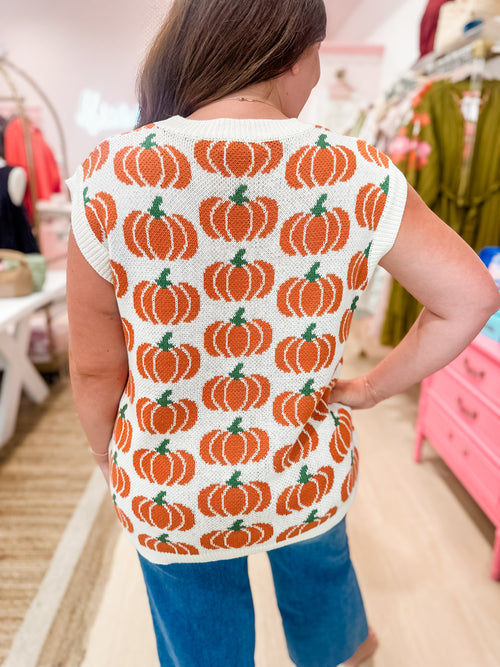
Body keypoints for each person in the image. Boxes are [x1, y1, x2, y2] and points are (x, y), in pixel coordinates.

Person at [65, 1, 500, 665]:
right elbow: (470, 298)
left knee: (202, 638)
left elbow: (97, 367)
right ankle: (344, 652)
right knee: (323, 589)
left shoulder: (111, 176)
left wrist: (108, 456)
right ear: (294, 53)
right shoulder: (356, 172)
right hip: (303, 469)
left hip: (170, 486)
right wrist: (371, 389)